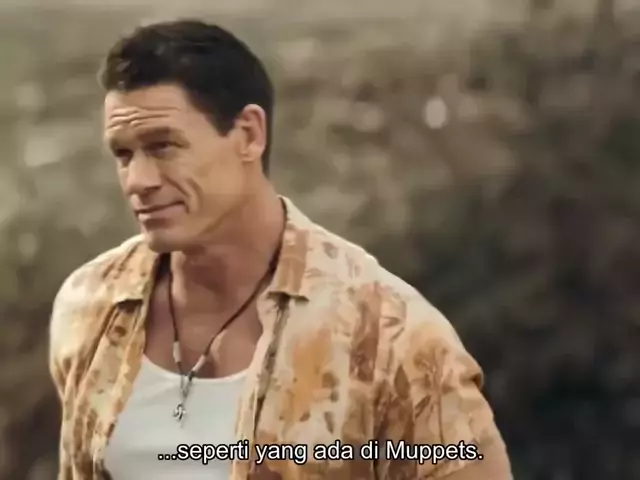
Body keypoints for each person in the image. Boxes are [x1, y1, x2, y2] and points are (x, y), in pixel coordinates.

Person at [48, 19, 512, 480]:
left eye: (163, 146)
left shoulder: (391, 338)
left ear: (249, 134)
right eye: (123, 155)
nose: (138, 181)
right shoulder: (91, 310)